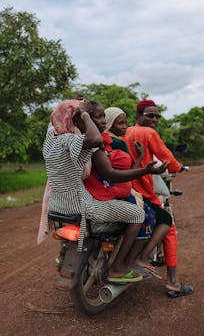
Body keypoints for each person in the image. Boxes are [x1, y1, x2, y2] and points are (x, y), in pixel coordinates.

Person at [43, 98, 168, 284]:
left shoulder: (51, 139)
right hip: (81, 204)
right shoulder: (76, 140)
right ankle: (117, 268)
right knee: (137, 213)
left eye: (103, 117)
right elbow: (97, 145)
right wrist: (84, 114)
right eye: (96, 117)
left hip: (57, 204)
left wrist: (78, 109)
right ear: (74, 120)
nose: (101, 121)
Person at [84, 104, 172, 279]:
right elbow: (114, 173)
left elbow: (122, 171)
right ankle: (129, 262)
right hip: (111, 193)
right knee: (146, 216)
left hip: (105, 191)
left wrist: (139, 159)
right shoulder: (109, 143)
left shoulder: (97, 141)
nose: (124, 127)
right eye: (120, 123)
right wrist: (146, 170)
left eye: (125, 123)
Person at [124, 99, 193, 297]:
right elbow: (167, 158)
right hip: (143, 191)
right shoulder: (149, 133)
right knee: (168, 226)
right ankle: (172, 282)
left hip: (124, 189)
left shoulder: (127, 131)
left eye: (157, 116)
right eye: (150, 115)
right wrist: (178, 167)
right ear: (139, 116)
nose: (154, 119)